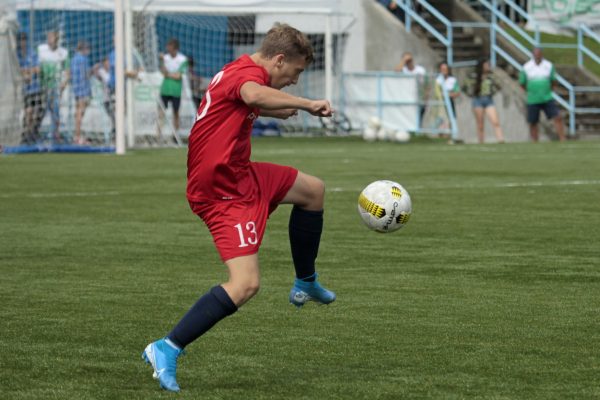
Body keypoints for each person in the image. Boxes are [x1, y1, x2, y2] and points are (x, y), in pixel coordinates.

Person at [141, 23, 335, 393]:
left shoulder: (241, 68)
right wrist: (307, 104)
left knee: (313, 191)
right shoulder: (248, 76)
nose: (294, 81)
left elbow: (244, 103)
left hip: (241, 174)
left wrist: (275, 112)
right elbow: (252, 94)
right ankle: (166, 347)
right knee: (246, 284)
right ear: (279, 60)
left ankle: (305, 283)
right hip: (220, 192)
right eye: (295, 72)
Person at [519, 48, 565, 142]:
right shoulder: (527, 67)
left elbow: (553, 81)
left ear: (542, 54)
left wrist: (549, 90)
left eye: (539, 54)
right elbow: (522, 83)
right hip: (533, 98)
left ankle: (562, 138)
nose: (537, 56)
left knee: (557, 116)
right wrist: (530, 91)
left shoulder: (548, 65)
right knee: (533, 121)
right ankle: (535, 141)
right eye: (536, 54)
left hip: (547, 97)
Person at [38, 30, 69, 143]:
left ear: (56, 39)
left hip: (56, 86)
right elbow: (37, 67)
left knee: (55, 110)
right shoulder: (41, 50)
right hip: (43, 86)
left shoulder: (63, 52)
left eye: (52, 37)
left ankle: (55, 134)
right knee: (41, 110)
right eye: (48, 37)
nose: (49, 39)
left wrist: (64, 83)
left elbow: (67, 70)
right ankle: (34, 133)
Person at [463, 59, 505, 144]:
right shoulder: (473, 76)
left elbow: (499, 85)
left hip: (488, 99)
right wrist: (471, 93)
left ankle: (500, 139)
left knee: (495, 121)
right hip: (478, 100)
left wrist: (492, 91)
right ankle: (481, 141)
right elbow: (465, 86)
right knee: (480, 124)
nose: (488, 67)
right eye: (486, 65)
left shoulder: (491, 76)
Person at [16, 32, 43, 144]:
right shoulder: (16, 54)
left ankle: (30, 133)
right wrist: (26, 73)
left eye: (24, 40)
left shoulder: (32, 53)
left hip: (35, 88)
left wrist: (28, 72)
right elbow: (16, 70)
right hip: (23, 89)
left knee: (37, 112)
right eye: (21, 40)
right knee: (28, 112)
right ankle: (25, 134)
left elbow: (38, 69)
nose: (23, 42)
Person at [158, 38, 187, 136]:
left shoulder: (182, 59)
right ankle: (158, 135)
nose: (167, 48)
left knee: (176, 113)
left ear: (174, 48)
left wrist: (168, 74)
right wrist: (162, 62)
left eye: (169, 46)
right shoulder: (165, 58)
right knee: (161, 111)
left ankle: (176, 135)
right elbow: (163, 72)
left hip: (176, 90)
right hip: (165, 89)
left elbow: (178, 76)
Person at [395, 52, 428, 122]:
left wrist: (425, 99)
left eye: (410, 60)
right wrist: (403, 61)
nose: (409, 62)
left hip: (418, 98)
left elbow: (426, 85)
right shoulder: (403, 70)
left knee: (418, 121)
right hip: (406, 99)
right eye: (407, 61)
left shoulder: (420, 70)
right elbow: (396, 72)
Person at [70, 41, 92, 144]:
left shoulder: (73, 59)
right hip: (83, 88)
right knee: (80, 113)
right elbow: (86, 74)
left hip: (76, 88)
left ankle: (77, 135)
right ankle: (77, 136)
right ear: (83, 49)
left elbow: (71, 73)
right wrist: (94, 70)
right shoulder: (84, 59)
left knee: (78, 112)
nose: (89, 51)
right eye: (88, 49)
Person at [94, 57, 115, 135]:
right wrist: (96, 66)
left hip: (114, 97)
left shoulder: (114, 71)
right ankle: (114, 129)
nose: (108, 64)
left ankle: (115, 130)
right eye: (106, 63)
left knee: (115, 113)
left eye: (108, 63)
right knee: (112, 115)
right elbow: (96, 74)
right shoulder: (102, 72)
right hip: (106, 98)